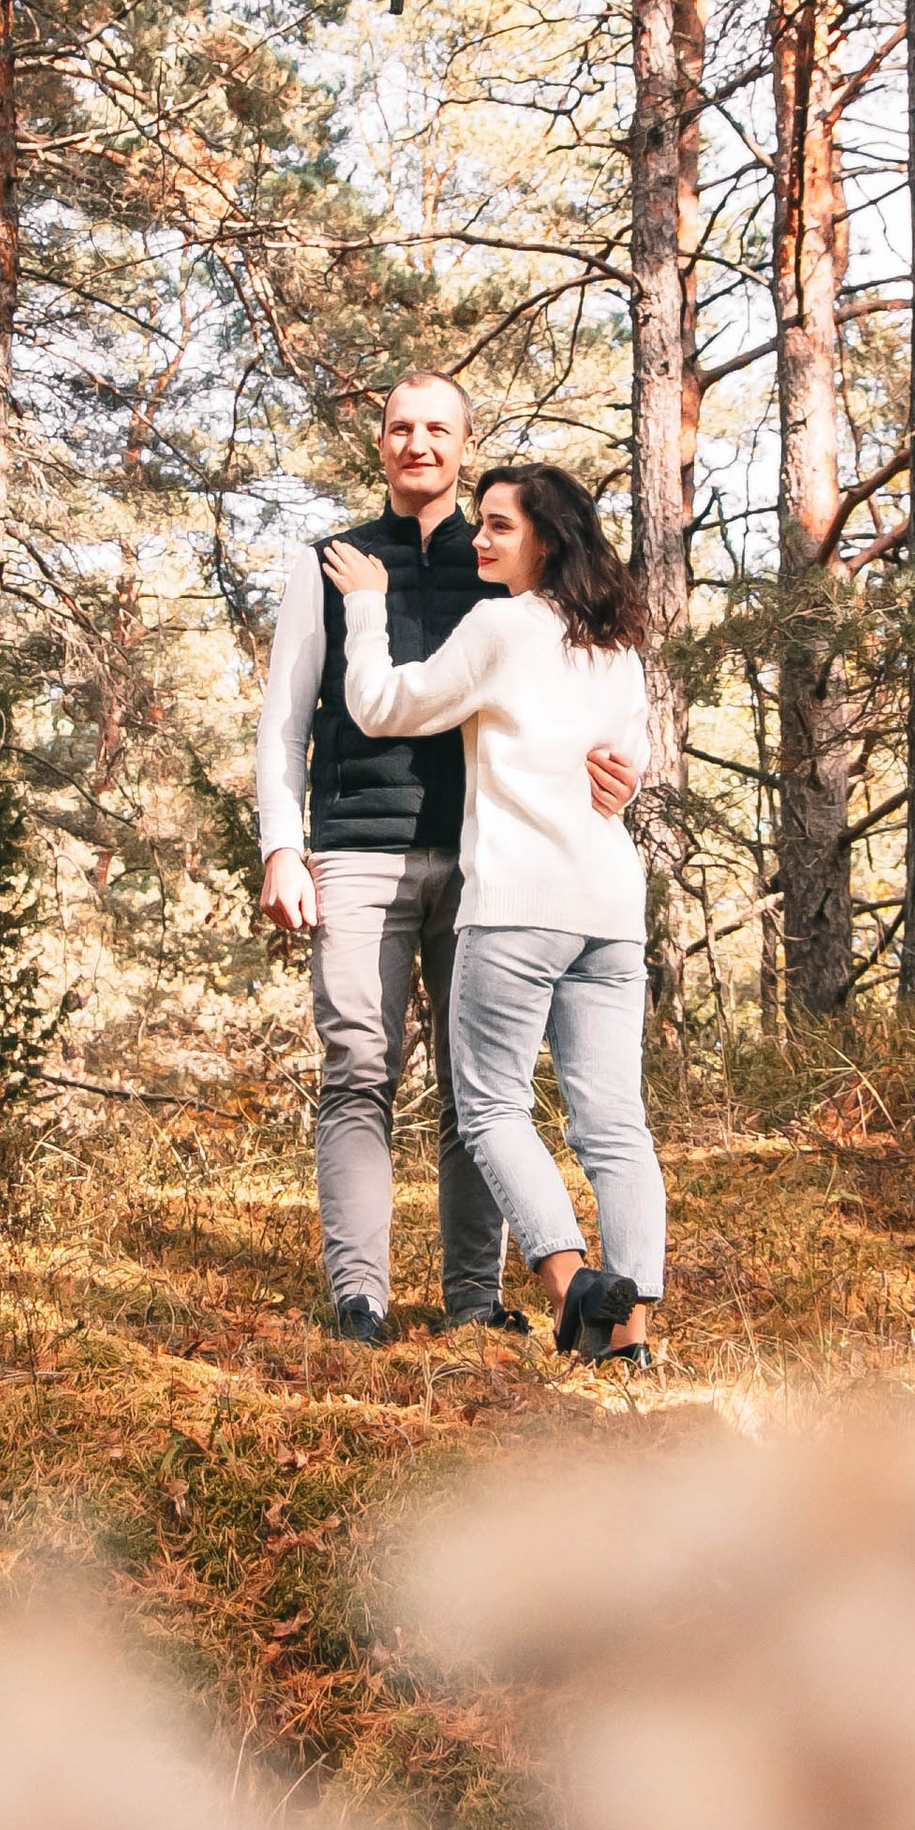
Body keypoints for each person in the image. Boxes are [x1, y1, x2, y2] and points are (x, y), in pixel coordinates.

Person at [255, 373, 637, 1346]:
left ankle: (474, 1300)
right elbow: (284, 720)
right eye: (400, 427)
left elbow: (578, 701)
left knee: (479, 1090)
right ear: (380, 443)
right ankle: (361, 1298)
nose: (416, 443)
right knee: (358, 1068)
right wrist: (283, 846)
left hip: (484, 865)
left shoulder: (505, 567)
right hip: (354, 851)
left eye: (437, 428)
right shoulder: (331, 565)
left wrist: (621, 773)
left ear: (466, 445)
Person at [324, 459, 664, 1369]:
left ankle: (570, 1280)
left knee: (489, 1109)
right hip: (611, 910)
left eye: (500, 526)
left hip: (517, 907)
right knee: (614, 1126)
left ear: (547, 540)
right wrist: (624, 782)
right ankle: (628, 1341)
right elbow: (626, 767)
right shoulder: (617, 647)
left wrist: (367, 605)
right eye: (480, 523)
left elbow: (382, 706)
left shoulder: (503, 625)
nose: (479, 539)